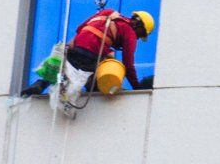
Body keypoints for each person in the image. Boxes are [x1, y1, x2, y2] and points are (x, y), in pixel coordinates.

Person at [21, 9, 156, 104]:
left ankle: (39, 85)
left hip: (76, 47)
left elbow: (80, 28)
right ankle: (75, 102)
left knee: (60, 72)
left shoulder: (108, 13)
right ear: (140, 27)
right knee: (96, 84)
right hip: (91, 54)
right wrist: (137, 88)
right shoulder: (130, 33)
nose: (138, 38)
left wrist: (101, 45)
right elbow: (128, 64)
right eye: (140, 35)